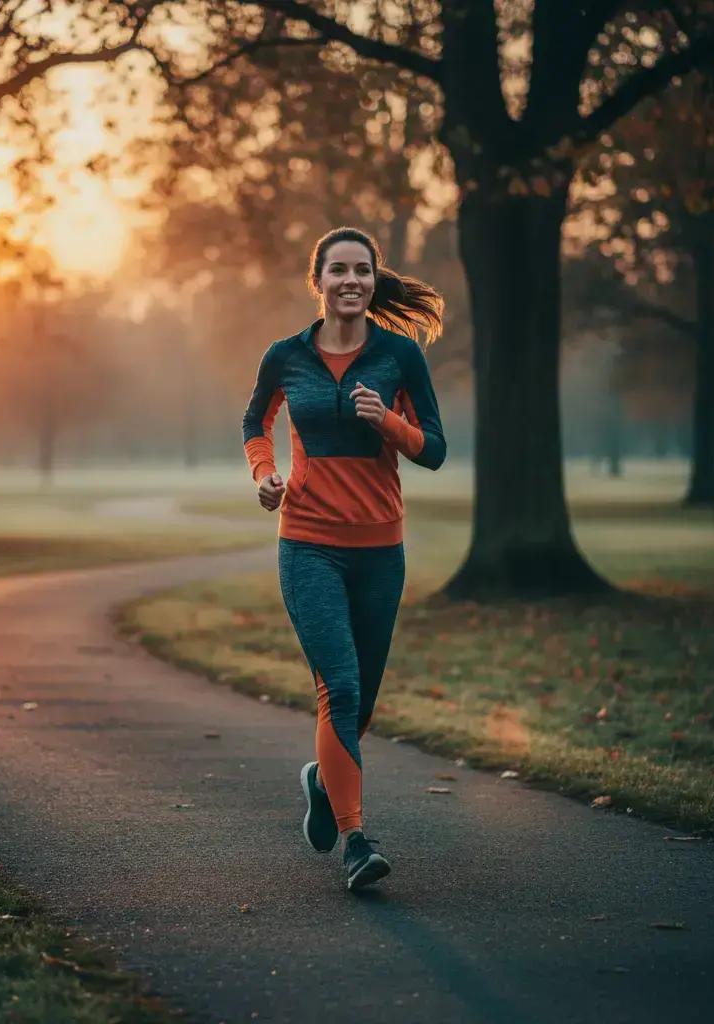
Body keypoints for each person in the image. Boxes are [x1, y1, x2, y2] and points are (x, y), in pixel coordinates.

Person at [241, 226, 446, 892]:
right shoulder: (285, 356)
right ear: (319, 281)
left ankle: (321, 781)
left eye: (362, 270)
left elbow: (435, 449)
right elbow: (255, 423)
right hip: (308, 545)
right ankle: (358, 842)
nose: (351, 280)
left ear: (372, 279)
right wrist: (265, 475)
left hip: (381, 553)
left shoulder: (399, 357)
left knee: (359, 708)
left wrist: (386, 420)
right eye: (339, 270)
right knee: (342, 687)